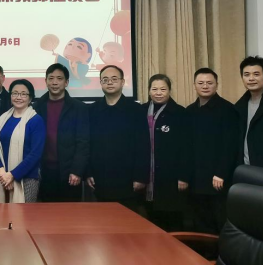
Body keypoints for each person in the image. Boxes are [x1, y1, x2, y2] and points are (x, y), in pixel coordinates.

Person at [87, 65, 149, 212]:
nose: (109, 82)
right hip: (100, 178)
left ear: (122, 82)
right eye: (105, 79)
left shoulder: (136, 110)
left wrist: (141, 177)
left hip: (128, 180)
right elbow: (87, 144)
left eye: (114, 79)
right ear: (100, 83)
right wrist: (88, 172)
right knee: (103, 221)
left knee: (127, 222)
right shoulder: (92, 110)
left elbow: (143, 145)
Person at [187, 68, 240, 235]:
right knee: (199, 222)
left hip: (217, 179)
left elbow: (231, 145)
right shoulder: (190, 110)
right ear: (194, 85)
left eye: (209, 83)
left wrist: (221, 173)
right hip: (195, 178)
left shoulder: (227, 109)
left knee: (220, 221)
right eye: (201, 83)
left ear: (217, 85)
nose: (205, 86)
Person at [142, 74, 191, 232]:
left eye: (163, 89)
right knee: (150, 221)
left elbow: (186, 147)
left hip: (171, 176)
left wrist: (183, 176)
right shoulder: (140, 111)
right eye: (154, 89)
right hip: (146, 176)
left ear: (169, 90)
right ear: (149, 91)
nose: (158, 93)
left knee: (172, 221)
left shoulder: (180, 113)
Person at [34, 64, 89, 202]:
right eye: (51, 78)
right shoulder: (37, 107)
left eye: (59, 78)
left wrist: (77, 171)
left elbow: (83, 142)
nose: (54, 82)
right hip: (44, 172)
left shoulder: (79, 108)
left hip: (69, 173)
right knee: (46, 212)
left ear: (66, 82)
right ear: (46, 81)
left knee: (70, 213)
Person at [0, 80, 46, 203]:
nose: (18, 97)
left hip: (27, 179)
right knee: (2, 214)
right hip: (2, 178)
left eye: (23, 94)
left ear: (30, 98)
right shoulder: (2, 120)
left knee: (24, 214)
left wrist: (12, 175)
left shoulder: (36, 120)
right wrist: (3, 174)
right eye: (15, 93)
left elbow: (35, 154)